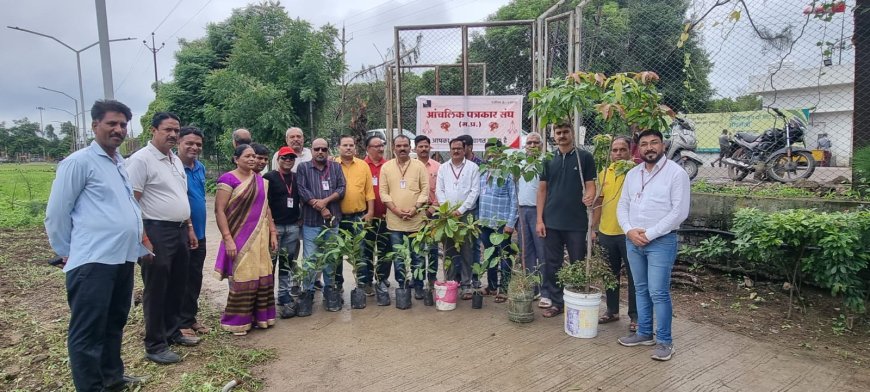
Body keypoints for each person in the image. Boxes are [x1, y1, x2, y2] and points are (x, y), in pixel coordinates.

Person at [45, 100, 147, 391]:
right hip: (93, 260)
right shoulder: (79, 162)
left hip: (122, 258)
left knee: (114, 323)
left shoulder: (118, 163)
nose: (118, 129)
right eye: (111, 123)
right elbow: (57, 213)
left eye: (123, 125)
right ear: (94, 126)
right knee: (88, 332)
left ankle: (112, 380)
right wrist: (66, 251)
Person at [126, 112, 199, 364]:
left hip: (179, 229)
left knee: (178, 283)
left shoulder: (175, 160)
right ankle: (155, 344)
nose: (172, 134)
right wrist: (142, 237)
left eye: (176, 130)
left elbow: (181, 196)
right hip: (155, 230)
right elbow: (131, 203)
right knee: (156, 287)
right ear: (153, 130)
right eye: (167, 129)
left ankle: (172, 331)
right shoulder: (140, 160)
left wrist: (188, 226)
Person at [616, 129, 690, 361]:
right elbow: (622, 206)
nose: (649, 148)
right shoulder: (632, 174)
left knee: (658, 292)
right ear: (638, 148)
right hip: (633, 240)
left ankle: (665, 341)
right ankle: (644, 333)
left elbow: (679, 212)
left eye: (654, 143)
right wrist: (629, 230)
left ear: (663, 146)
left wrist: (649, 234)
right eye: (644, 144)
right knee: (640, 289)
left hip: (661, 242)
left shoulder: (676, 174)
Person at [214, 144, 279, 335]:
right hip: (239, 237)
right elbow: (219, 210)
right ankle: (237, 321)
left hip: (260, 236)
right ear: (236, 159)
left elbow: (266, 208)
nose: (252, 159)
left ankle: (261, 317)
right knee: (243, 275)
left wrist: (273, 232)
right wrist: (227, 238)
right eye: (247, 156)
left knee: (261, 274)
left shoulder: (260, 180)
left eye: (254, 156)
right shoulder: (228, 179)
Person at [535, 121, 597, 318]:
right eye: (558, 132)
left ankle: (576, 300)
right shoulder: (547, 160)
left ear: (572, 133)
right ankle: (557, 302)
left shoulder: (584, 157)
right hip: (551, 222)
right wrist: (539, 220)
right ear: (553, 135)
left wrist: (589, 195)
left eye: (565, 132)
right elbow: (542, 190)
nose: (562, 135)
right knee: (552, 264)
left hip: (576, 223)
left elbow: (590, 185)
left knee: (577, 262)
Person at [591, 136, 637, 332]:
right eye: (615, 150)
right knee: (610, 274)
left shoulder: (636, 173)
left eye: (622, 150)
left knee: (635, 277)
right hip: (606, 232)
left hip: (629, 233)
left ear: (630, 151)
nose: (618, 154)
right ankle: (612, 310)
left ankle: (636, 316)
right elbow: (599, 202)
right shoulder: (604, 173)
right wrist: (593, 229)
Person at [296, 138, 346, 307]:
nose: (320, 152)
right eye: (317, 149)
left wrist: (325, 201)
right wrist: (319, 206)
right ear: (311, 150)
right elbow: (302, 190)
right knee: (310, 259)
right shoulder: (303, 168)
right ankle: (308, 292)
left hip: (332, 222)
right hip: (311, 222)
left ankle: (330, 292)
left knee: (330, 258)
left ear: (328, 150)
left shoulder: (336, 167)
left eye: (324, 149)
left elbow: (342, 188)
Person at [380, 135, 430, 299]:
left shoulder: (419, 166)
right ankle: (402, 285)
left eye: (405, 146)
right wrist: (396, 210)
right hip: (395, 221)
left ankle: (419, 285)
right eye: (399, 145)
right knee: (399, 257)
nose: (402, 148)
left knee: (418, 256)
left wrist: (415, 208)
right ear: (393, 148)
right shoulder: (386, 167)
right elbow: (383, 193)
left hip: (417, 220)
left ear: (411, 148)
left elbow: (425, 190)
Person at [436, 138, 481, 300]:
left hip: (466, 214)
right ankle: (451, 282)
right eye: (453, 148)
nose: (456, 151)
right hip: (448, 216)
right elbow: (439, 190)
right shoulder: (443, 168)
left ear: (465, 150)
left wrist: (461, 209)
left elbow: (475, 191)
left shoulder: (473, 168)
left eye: (459, 149)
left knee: (467, 250)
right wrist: (446, 209)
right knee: (449, 250)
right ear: (449, 150)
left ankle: (466, 284)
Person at [177, 126, 211, 338]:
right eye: (189, 143)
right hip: (182, 232)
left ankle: (189, 318)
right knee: (180, 278)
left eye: (198, 144)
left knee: (194, 278)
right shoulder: (173, 167)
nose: (194, 147)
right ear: (179, 142)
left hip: (200, 233)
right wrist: (189, 227)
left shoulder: (200, 168)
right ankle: (179, 323)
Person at [263, 147, 303, 319]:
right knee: (270, 262)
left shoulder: (296, 177)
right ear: (278, 159)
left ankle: (283, 294)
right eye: (285, 158)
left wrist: (300, 220)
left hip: (292, 226)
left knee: (287, 262)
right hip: (275, 227)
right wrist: (270, 227)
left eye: (291, 158)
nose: (288, 160)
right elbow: (264, 203)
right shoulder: (269, 178)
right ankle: (267, 297)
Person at [478, 139, 517, 303]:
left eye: (495, 151)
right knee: (489, 255)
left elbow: (514, 200)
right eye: (489, 152)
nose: (491, 155)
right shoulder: (482, 172)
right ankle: (492, 286)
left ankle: (504, 288)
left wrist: (510, 223)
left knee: (504, 256)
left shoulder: (507, 173)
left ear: (501, 154)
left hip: (502, 224)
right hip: (485, 222)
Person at [335, 135, 375, 292]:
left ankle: (363, 284)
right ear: (339, 147)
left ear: (355, 147)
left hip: (359, 216)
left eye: (351, 145)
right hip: (338, 217)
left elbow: (369, 192)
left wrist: (370, 212)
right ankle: (337, 284)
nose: (348, 148)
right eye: (345, 145)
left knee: (361, 251)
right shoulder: (332, 165)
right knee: (337, 252)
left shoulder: (363, 165)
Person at [516, 132, 546, 299]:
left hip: (538, 212)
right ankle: (530, 286)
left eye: (536, 143)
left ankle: (543, 288)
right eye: (529, 143)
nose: (533, 146)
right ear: (525, 146)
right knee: (526, 251)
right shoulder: (519, 164)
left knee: (541, 250)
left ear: (541, 146)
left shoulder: (545, 163)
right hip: (522, 210)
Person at [363, 135, 391, 294]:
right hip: (367, 217)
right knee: (367, 249)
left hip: (386, 216)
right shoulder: (361, 166)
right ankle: (367, 280)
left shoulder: (388, 166)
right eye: (376, 146)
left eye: (382, 145)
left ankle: (382, 277)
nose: (380, 148)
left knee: (385, 249)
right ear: (368, 149)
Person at [457, 134, 483, 288]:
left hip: (475, 211)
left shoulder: (479, 165)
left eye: (463, 146)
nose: (459, 149)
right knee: (459, 245)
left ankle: (475, 276)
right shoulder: (454, 165)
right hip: (457, 212)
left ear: (469, 147)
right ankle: (460, 277)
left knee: (473, 245)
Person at [415, 135, 440, 278]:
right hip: (415, 212)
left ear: (430, 148)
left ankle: (431, 277)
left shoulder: (438, 167)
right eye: (421, 146)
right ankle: (417, 278)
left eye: (426, 146)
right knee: (416, 246)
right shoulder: (410, 166)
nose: (424, 149)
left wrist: (431, 209)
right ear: (415, 148)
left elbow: (442, 190)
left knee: (432, 247)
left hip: (434, 211)